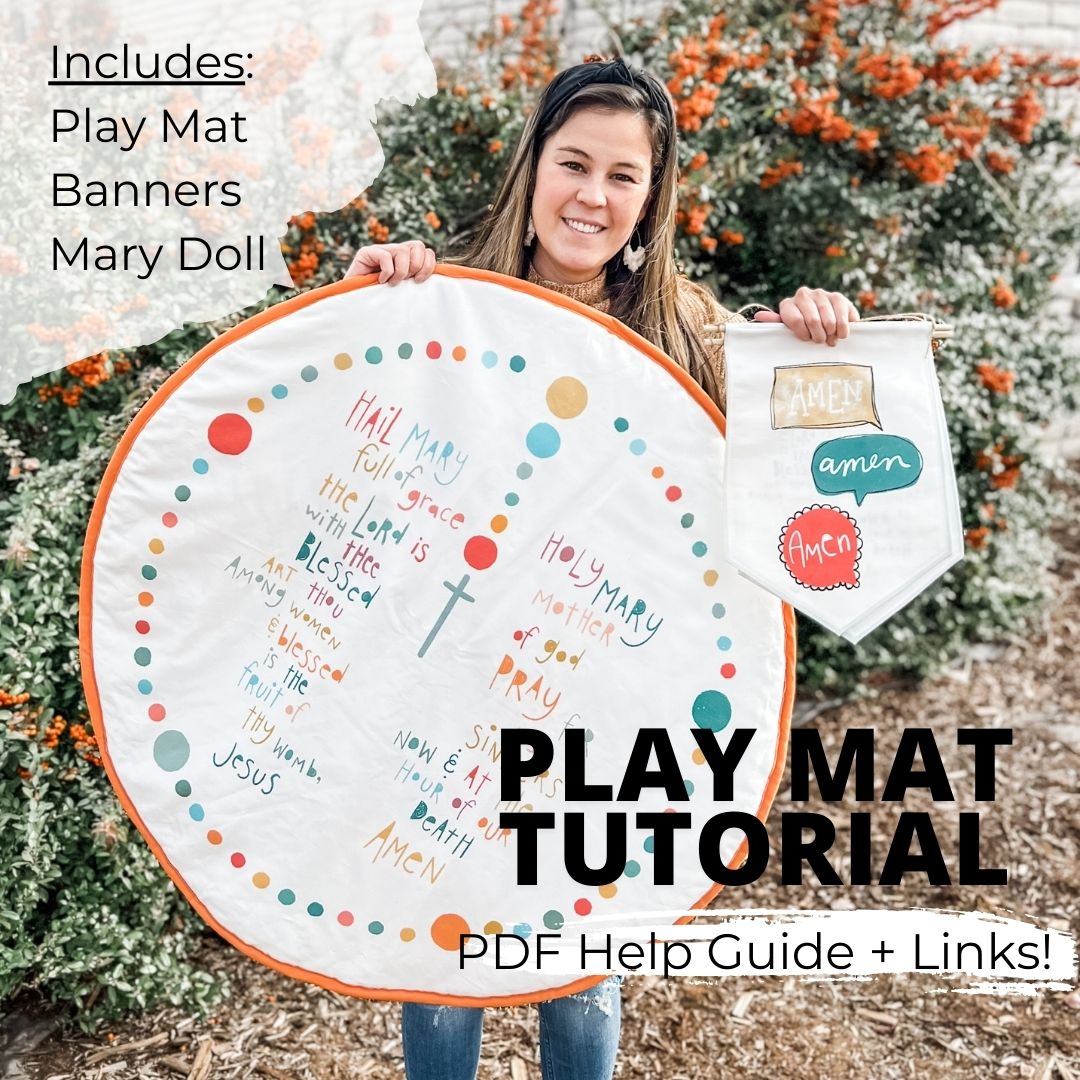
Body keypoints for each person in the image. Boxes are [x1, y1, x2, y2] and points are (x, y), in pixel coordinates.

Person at [344, 54, 858, 1080]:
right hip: (452, 677)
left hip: (604, 686)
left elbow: (806, 482)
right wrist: (364, 303)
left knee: (581, 950)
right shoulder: (448, 303)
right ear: (531, 167)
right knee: (439, 935)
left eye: (625, 176)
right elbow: (350, 439)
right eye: (574, 163)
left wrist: (814, 343)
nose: (594, 195)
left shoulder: (691, 329)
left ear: (653, 197)